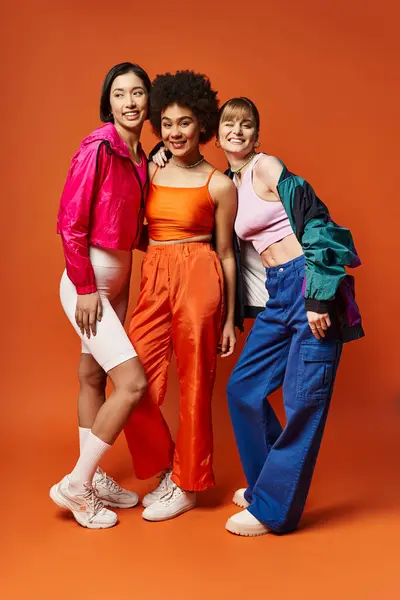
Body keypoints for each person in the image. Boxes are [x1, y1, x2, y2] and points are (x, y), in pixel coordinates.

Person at [215, 97, 364, 536]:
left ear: (255, 136)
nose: (237, 131)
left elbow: (318, 221)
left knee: (303, 402)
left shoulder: (266, 167)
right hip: (278, 295)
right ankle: (267, 487)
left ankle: (273, 512)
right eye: (229, 123)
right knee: (243, 389)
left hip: (308, 281)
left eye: (246, 125)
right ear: (219, 132)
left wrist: (318, 296)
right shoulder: (228, 182)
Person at [124, 70, 237, 522]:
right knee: (132, 380)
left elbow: (227, 253)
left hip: (200, 277)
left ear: (202, 125)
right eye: (167, 123)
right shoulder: (150, 170)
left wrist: (230, 320)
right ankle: (171, 468)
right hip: (155, 274)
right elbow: (132, 227)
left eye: (185, 122)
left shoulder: (219, 184)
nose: (175, 132)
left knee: (194, 385)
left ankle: (189, 485)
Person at [50, 62, 150, 529]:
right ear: (107, 102)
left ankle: (90, 479)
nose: (129, 102)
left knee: (92, 375)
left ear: (148, 101)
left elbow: (136, 224)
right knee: (131, 384)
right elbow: (70, 222)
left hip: (119, 277)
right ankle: (76, 484)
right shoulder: (98, 148)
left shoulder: (140, 155)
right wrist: (86, 288)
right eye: (119, 94)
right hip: (90, 278)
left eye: (137, 93)